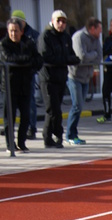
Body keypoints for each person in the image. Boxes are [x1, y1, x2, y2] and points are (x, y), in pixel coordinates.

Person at [38, 10, 80, 149]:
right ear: (53, 21)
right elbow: (47, 57)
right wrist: (66, 60)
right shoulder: (46, 36)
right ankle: (57, 136)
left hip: (61, 77)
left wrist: (68, 60)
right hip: (48, 78)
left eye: (63, 21)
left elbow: (73, 56)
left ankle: (47, 136)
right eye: (58, 21)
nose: (61, 24)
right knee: (53, 109)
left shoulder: (66, 37)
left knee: (54, 109)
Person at [0, 17, 43, 153]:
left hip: (25, 84)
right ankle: (10, 145)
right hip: (9, 86)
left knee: (26, 116)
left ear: (21, 31)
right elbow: (9, 59)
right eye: (11, 31)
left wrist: (28, 64)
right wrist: (27, 61)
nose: (13, 34)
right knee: (9, 118)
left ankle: (21, 143)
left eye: (16, 31)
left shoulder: (28, 43)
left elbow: (38, 60)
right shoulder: (4, 44)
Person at [66, 17, 103, 145]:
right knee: (77, 105)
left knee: (79, 107)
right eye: (99, 29)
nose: (100, 33)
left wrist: (90, 55)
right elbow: (81, 57)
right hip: (75, 76)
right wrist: (92, 55)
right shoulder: (79, 37)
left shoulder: (96, 39)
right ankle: (70, 134)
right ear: (92, 28)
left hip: (86, 77)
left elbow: (99, 58)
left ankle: (73, 133)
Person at [11, 10, 39, 140]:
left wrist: (31, 68)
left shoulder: (32, 36)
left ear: (23, 22)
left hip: (28, 75)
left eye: (18, 22)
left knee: (30, 101)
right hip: (14, 77)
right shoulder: (9, 38)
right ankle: (11, 132)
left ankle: (31, 127)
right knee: (13, 104)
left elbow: (36, 56)